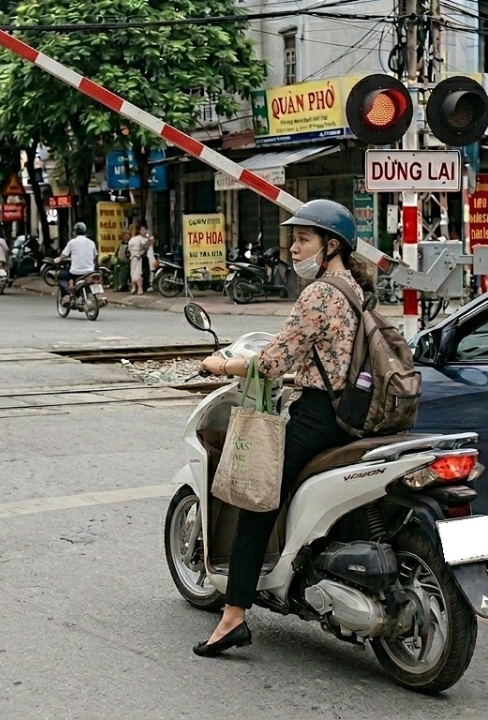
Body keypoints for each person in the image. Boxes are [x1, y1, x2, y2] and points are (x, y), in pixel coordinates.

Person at [193, 199, 374, 658]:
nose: (293, 248)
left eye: (303, 239)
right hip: (349, 412)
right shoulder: (353, 288)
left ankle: (233, 615)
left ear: (331, 246)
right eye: (294, 239)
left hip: (318, 419)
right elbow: (330, 357)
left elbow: (273, 359)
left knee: (258, 500)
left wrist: (222, 363)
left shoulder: (320, 292)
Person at [58, 222, 97, 295]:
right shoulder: (91, 242)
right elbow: (95, 256)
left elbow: (64, 255)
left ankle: (66, 296)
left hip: (76, 272)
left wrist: (58, 259)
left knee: (61, 276)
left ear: (75, 232)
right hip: (90, 271)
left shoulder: (71, 242)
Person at [127, 224, 151, 295]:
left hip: (142, 258)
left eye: (144, 230)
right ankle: (134, 287)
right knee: (133, 272)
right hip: (134, 257)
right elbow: (130, 248)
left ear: (146, 231)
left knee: (140, 273)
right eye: (142, 230)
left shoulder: (146, 239)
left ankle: (140, 288)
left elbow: (145, 247)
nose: (143, 231)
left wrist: (149, 240)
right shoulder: (134, 239)